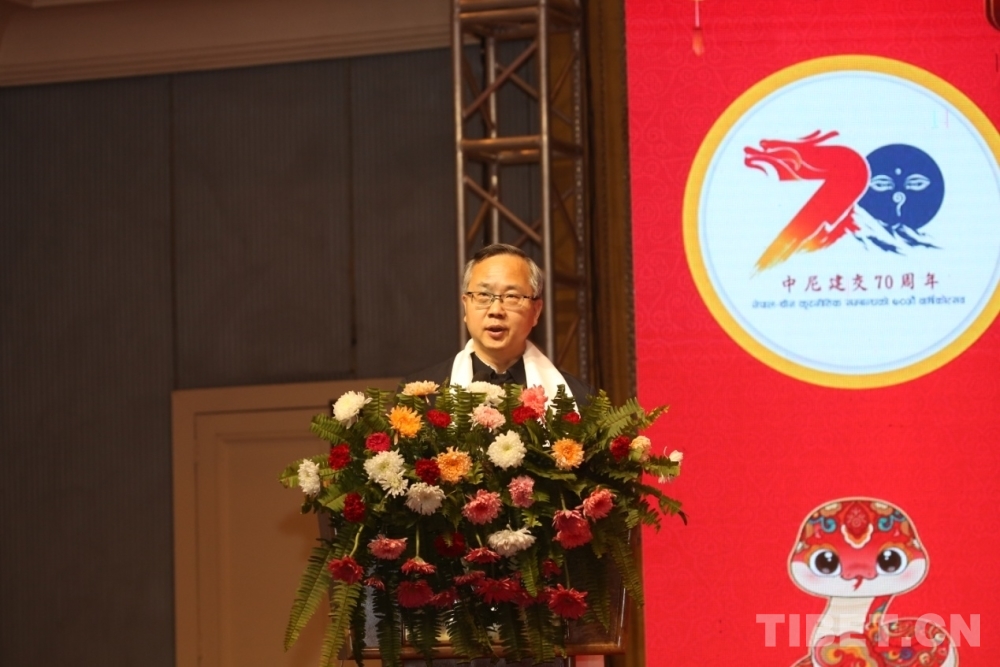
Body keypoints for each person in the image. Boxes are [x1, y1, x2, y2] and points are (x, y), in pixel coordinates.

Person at [405, 243, 590, 405]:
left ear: (536, 311)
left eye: (511, 296)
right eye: (483, 295)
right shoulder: (421, 396)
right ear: (465, 306)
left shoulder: (578, 399)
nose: (496, 310)